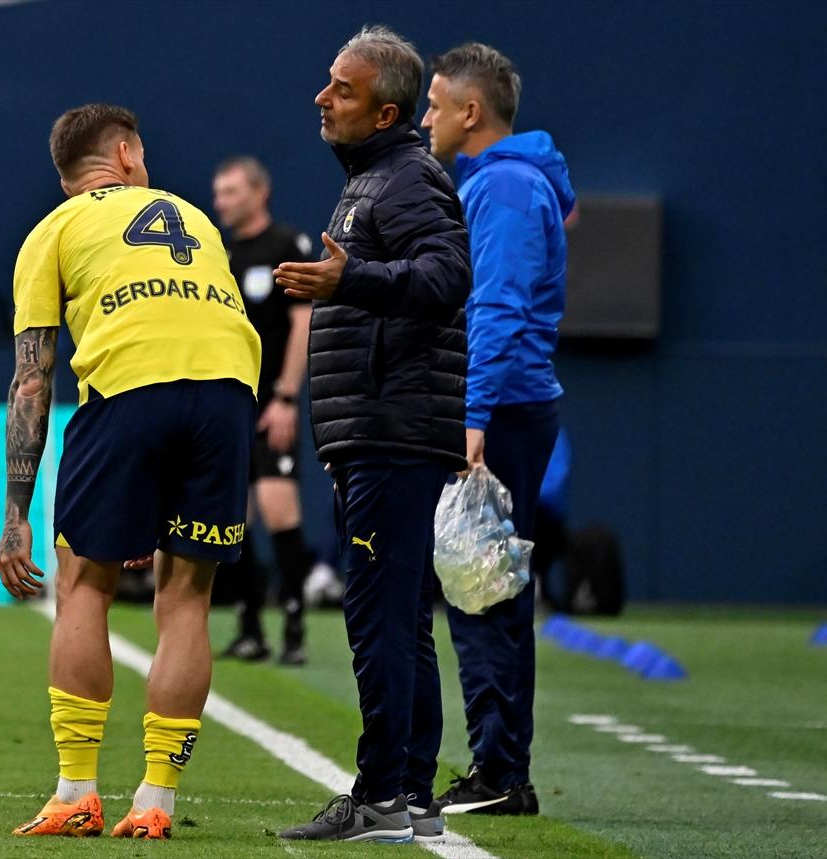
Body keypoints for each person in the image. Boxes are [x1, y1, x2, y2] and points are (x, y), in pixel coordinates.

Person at [0, 104, 261, 841]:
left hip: (130, 389)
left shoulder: (53, 231)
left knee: (84, 584)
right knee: (187, 600)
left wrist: (16, 516)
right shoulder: (195, 217)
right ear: (127, 154)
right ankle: (156, 800)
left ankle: (77, 792)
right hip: (229, 393)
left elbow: (32, 380)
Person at [274, 26, 470, 843]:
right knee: (399, 616)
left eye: (343, 89)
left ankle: (381, 794)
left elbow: (448, 276)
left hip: (395, 427)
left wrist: (349, 276)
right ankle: (412, 792)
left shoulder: (408, 178)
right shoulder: (374, 179)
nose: (322, 98)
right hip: (378, 428)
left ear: (385, 111)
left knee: (379, 616)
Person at [421, 42, 574, 816]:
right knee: (492, 591)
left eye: (436, 105)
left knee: (481, 591)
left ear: (471, 111)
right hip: (508, 404)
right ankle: (502, 766)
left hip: (500, 409)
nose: (427, 119)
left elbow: (498, 306)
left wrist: (471, 413)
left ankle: (500, 772)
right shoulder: (507, 179)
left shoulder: (506, 186)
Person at [211, 155, 316, 666]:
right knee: (236, 516)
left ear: (259, 192)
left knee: (278, 507)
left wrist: (287, 396)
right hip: (231, 406)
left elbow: (302, 323)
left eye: (231, 191)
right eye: (219, 193)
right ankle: (249, 626)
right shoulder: (219, 255)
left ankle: (294, 628)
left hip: (272, 403)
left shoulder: (286, 246)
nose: (221, 202)